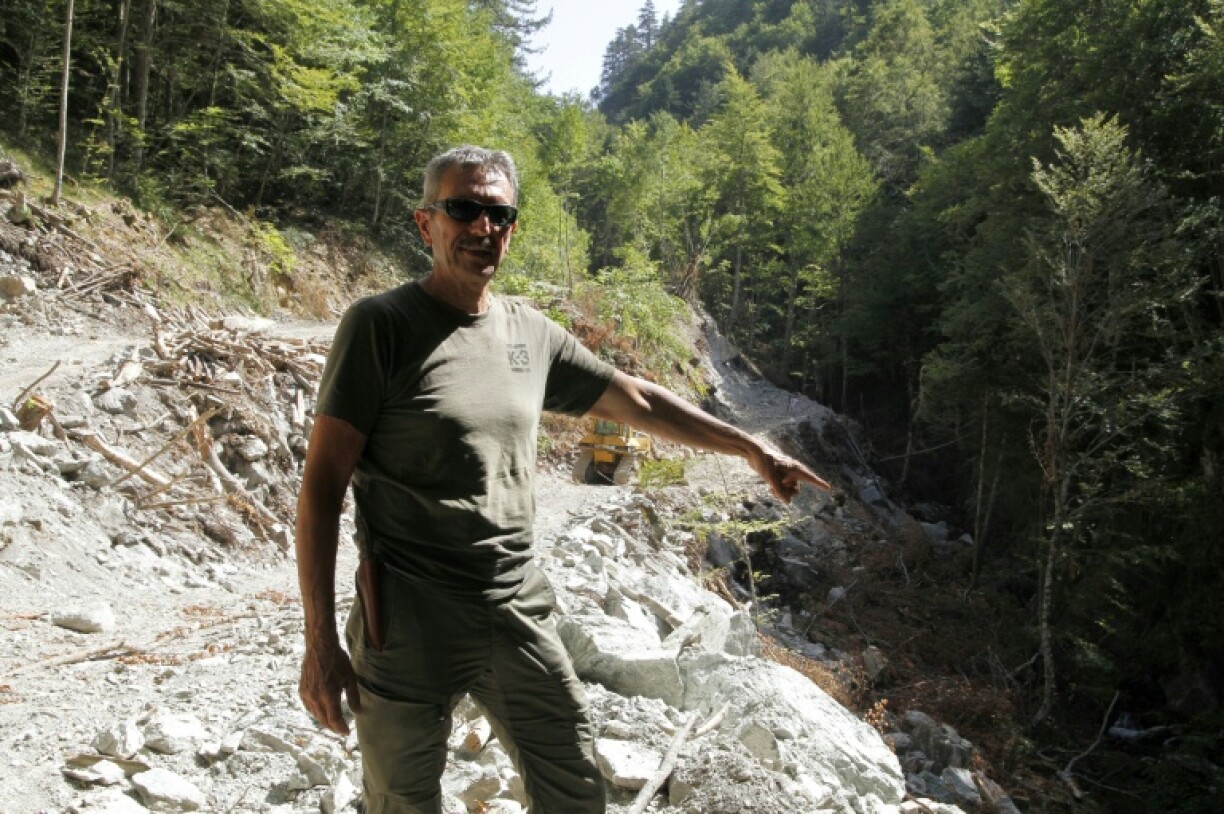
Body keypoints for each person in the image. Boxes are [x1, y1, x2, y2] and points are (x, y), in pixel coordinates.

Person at [294, 144, 831, 814]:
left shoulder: (530, 333)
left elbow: (635, 400)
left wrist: (751, 448)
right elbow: (320, 490)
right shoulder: (381, 328)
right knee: (401, 803)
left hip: (515, 606)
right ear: (425, 223)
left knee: (575, 789)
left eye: (498, 213)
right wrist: (318, 642)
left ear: (512, 227)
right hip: (407, 617)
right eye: (463, 209)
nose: (482, 227)